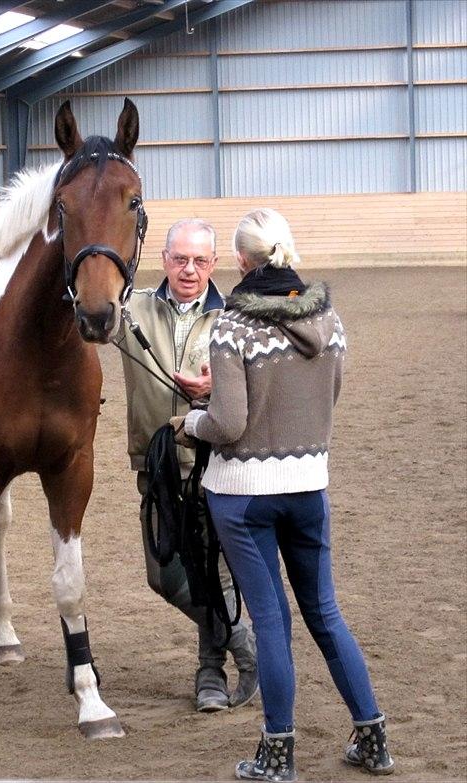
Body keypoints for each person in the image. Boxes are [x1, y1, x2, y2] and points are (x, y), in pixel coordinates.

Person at [174, 208, 394, 780]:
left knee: (271, 620)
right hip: (309, 488)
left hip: (244, 496)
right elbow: (329, 398)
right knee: (325, 613)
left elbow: (227, 423)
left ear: (241, 261)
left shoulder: (233, 327)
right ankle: (372, 736)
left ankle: (277, 751)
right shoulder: (332, 319)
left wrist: (189, 422)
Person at [115, 218, 258, 712]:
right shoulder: (132, 309)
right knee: (164, 574)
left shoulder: (235, 317)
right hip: (155, 468)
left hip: (217, 462)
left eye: (199, 260)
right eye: (180, 259)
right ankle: (243, 644)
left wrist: (215, 390)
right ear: (164, 260)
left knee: (213, 572)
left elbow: (260, 385)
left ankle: (210, 676)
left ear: (214, 264)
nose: (189, 270)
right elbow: (84, 318)